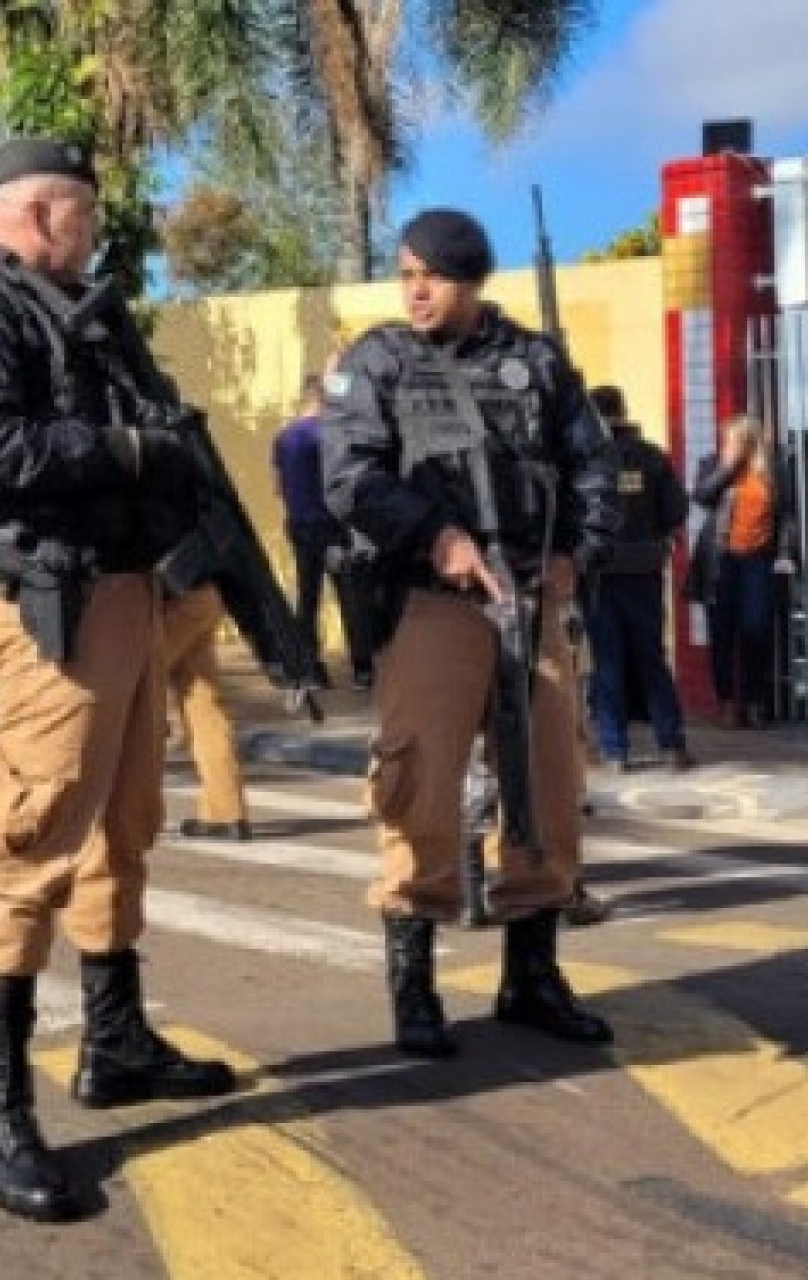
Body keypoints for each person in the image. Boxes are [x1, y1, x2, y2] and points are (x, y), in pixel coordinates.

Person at [0, 138, 234, 1224]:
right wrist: (132, 452)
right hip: (55, 607)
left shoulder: (73, 309)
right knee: (29, 843)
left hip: (128, 598)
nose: (93, 229)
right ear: (39, 212)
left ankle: (116, 1038)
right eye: (81, 212)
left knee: (122, 825)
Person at [322, 207, 621, 1058]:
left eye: (434, 277)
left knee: (549, 784)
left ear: (472, 281)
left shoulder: (535, 362)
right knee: (419, 784)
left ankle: (532, 976)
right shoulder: (380, 362)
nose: (415, 291)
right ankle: (413, 989)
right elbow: (349, 476)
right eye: (406, 273)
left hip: (530, 601)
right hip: (433, 603)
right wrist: (435, 536)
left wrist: (577, 555)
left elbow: (592, 465)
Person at [582, 383, 691, 772]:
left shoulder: (586, 458)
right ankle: (671, 743)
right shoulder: (653, 458)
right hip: (645, 570)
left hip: (600, 572)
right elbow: (676, 510)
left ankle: (615, 751)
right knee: (652, 657)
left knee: (607, 661)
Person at [688, 415, 796, 729]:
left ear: (751, 442)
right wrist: (729, 467)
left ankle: (754, 701)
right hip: (720, 560)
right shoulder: (712, 464)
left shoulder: (772, 470)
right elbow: (701, 497)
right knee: (721, 634)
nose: (729, 444)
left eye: (736, 440)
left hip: (758, 561)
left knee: (757, 631)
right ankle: (726, 704)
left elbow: (786, 515)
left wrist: (786, 553)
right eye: (727, 439)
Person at [273, 373, 375, 689]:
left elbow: (278, 487)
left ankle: (310, 669)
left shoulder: (283, 437)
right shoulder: (329, 435)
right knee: (350, 596)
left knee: (307, 597)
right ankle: (362, 668)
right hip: (332, 526)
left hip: (299, 525)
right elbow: (342, 480)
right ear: (322, 398)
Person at [162, 581, 251, 841]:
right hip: (205, 593)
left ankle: (124, 818)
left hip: (164, 598)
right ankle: (225, 811)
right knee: (203, 701)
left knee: (134, 695)